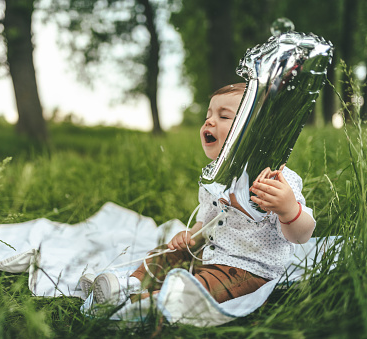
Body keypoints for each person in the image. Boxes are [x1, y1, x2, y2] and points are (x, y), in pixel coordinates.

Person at [82, 83, 316, 305]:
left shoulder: (275, 179)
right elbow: (205, 225)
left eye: (223, 116)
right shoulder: (214, 180)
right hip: (208, 257)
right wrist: (190, 237)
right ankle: (125, 283)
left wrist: (288, 209)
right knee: (167, 255)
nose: (209, 123)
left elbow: (301, 235)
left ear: (257, 132)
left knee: (198, 289)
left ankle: (134, 303)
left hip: (248, 271)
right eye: (208, 117)